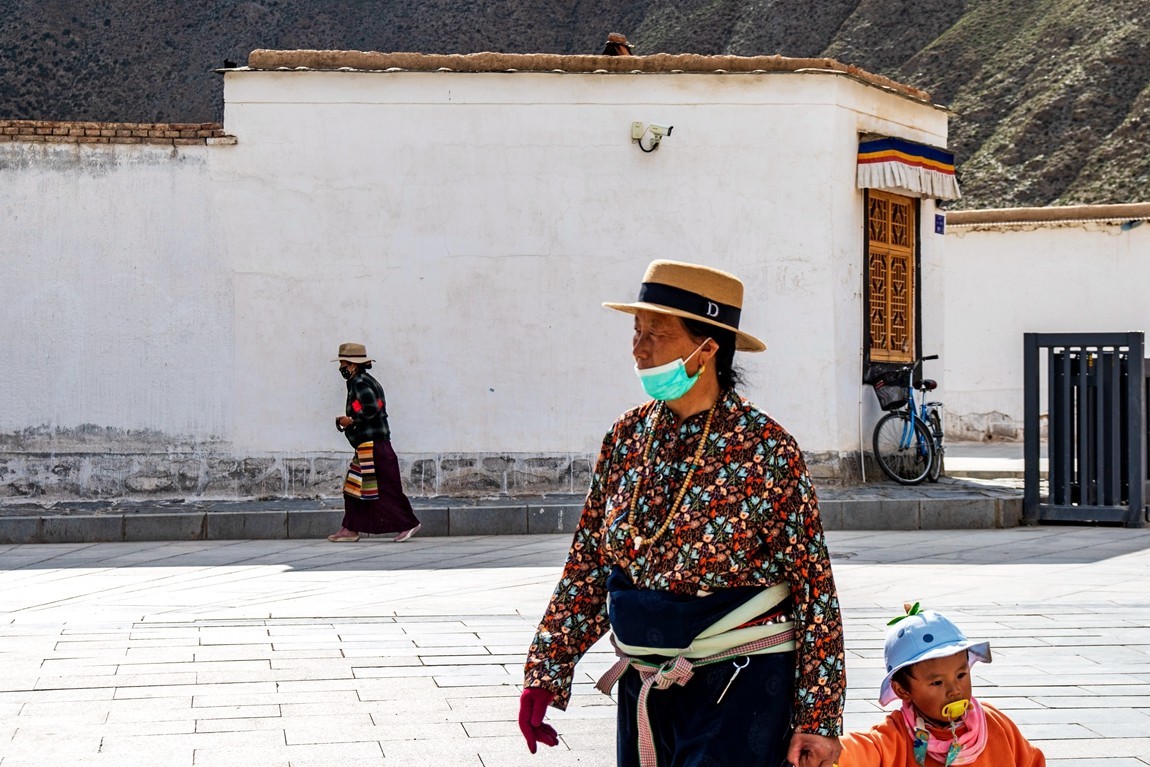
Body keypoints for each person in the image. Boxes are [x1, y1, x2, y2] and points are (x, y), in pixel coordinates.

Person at [518, 260, 845, 767]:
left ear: (707, 348)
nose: (639, 347)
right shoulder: (626, 437)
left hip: (740, 678)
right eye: (637, 330)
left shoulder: (767, 449)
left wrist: (818, 718)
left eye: (658, 333)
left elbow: (813, 586)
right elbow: (589, 561)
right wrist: (547, 671)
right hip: (646, 679)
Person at [839, 604, 1045, 767]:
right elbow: (860, 750)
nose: (954, 689)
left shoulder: (995, 723)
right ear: (902, 690)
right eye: (937, 682)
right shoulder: (896, 736)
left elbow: (1030, 760)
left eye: (961, 675)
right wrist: (826, 746)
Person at [328, 342, 421, 543]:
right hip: (369, 445)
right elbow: (368, 407)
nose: (341, 367)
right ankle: (350, 528)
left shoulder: (360, 382)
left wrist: (350, 420)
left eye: (343, 363)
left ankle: (408, 523)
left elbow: (371, 408)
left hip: (373, 446)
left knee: (384, 488)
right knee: (354, 488)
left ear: (352, 364)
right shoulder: (362, 381)